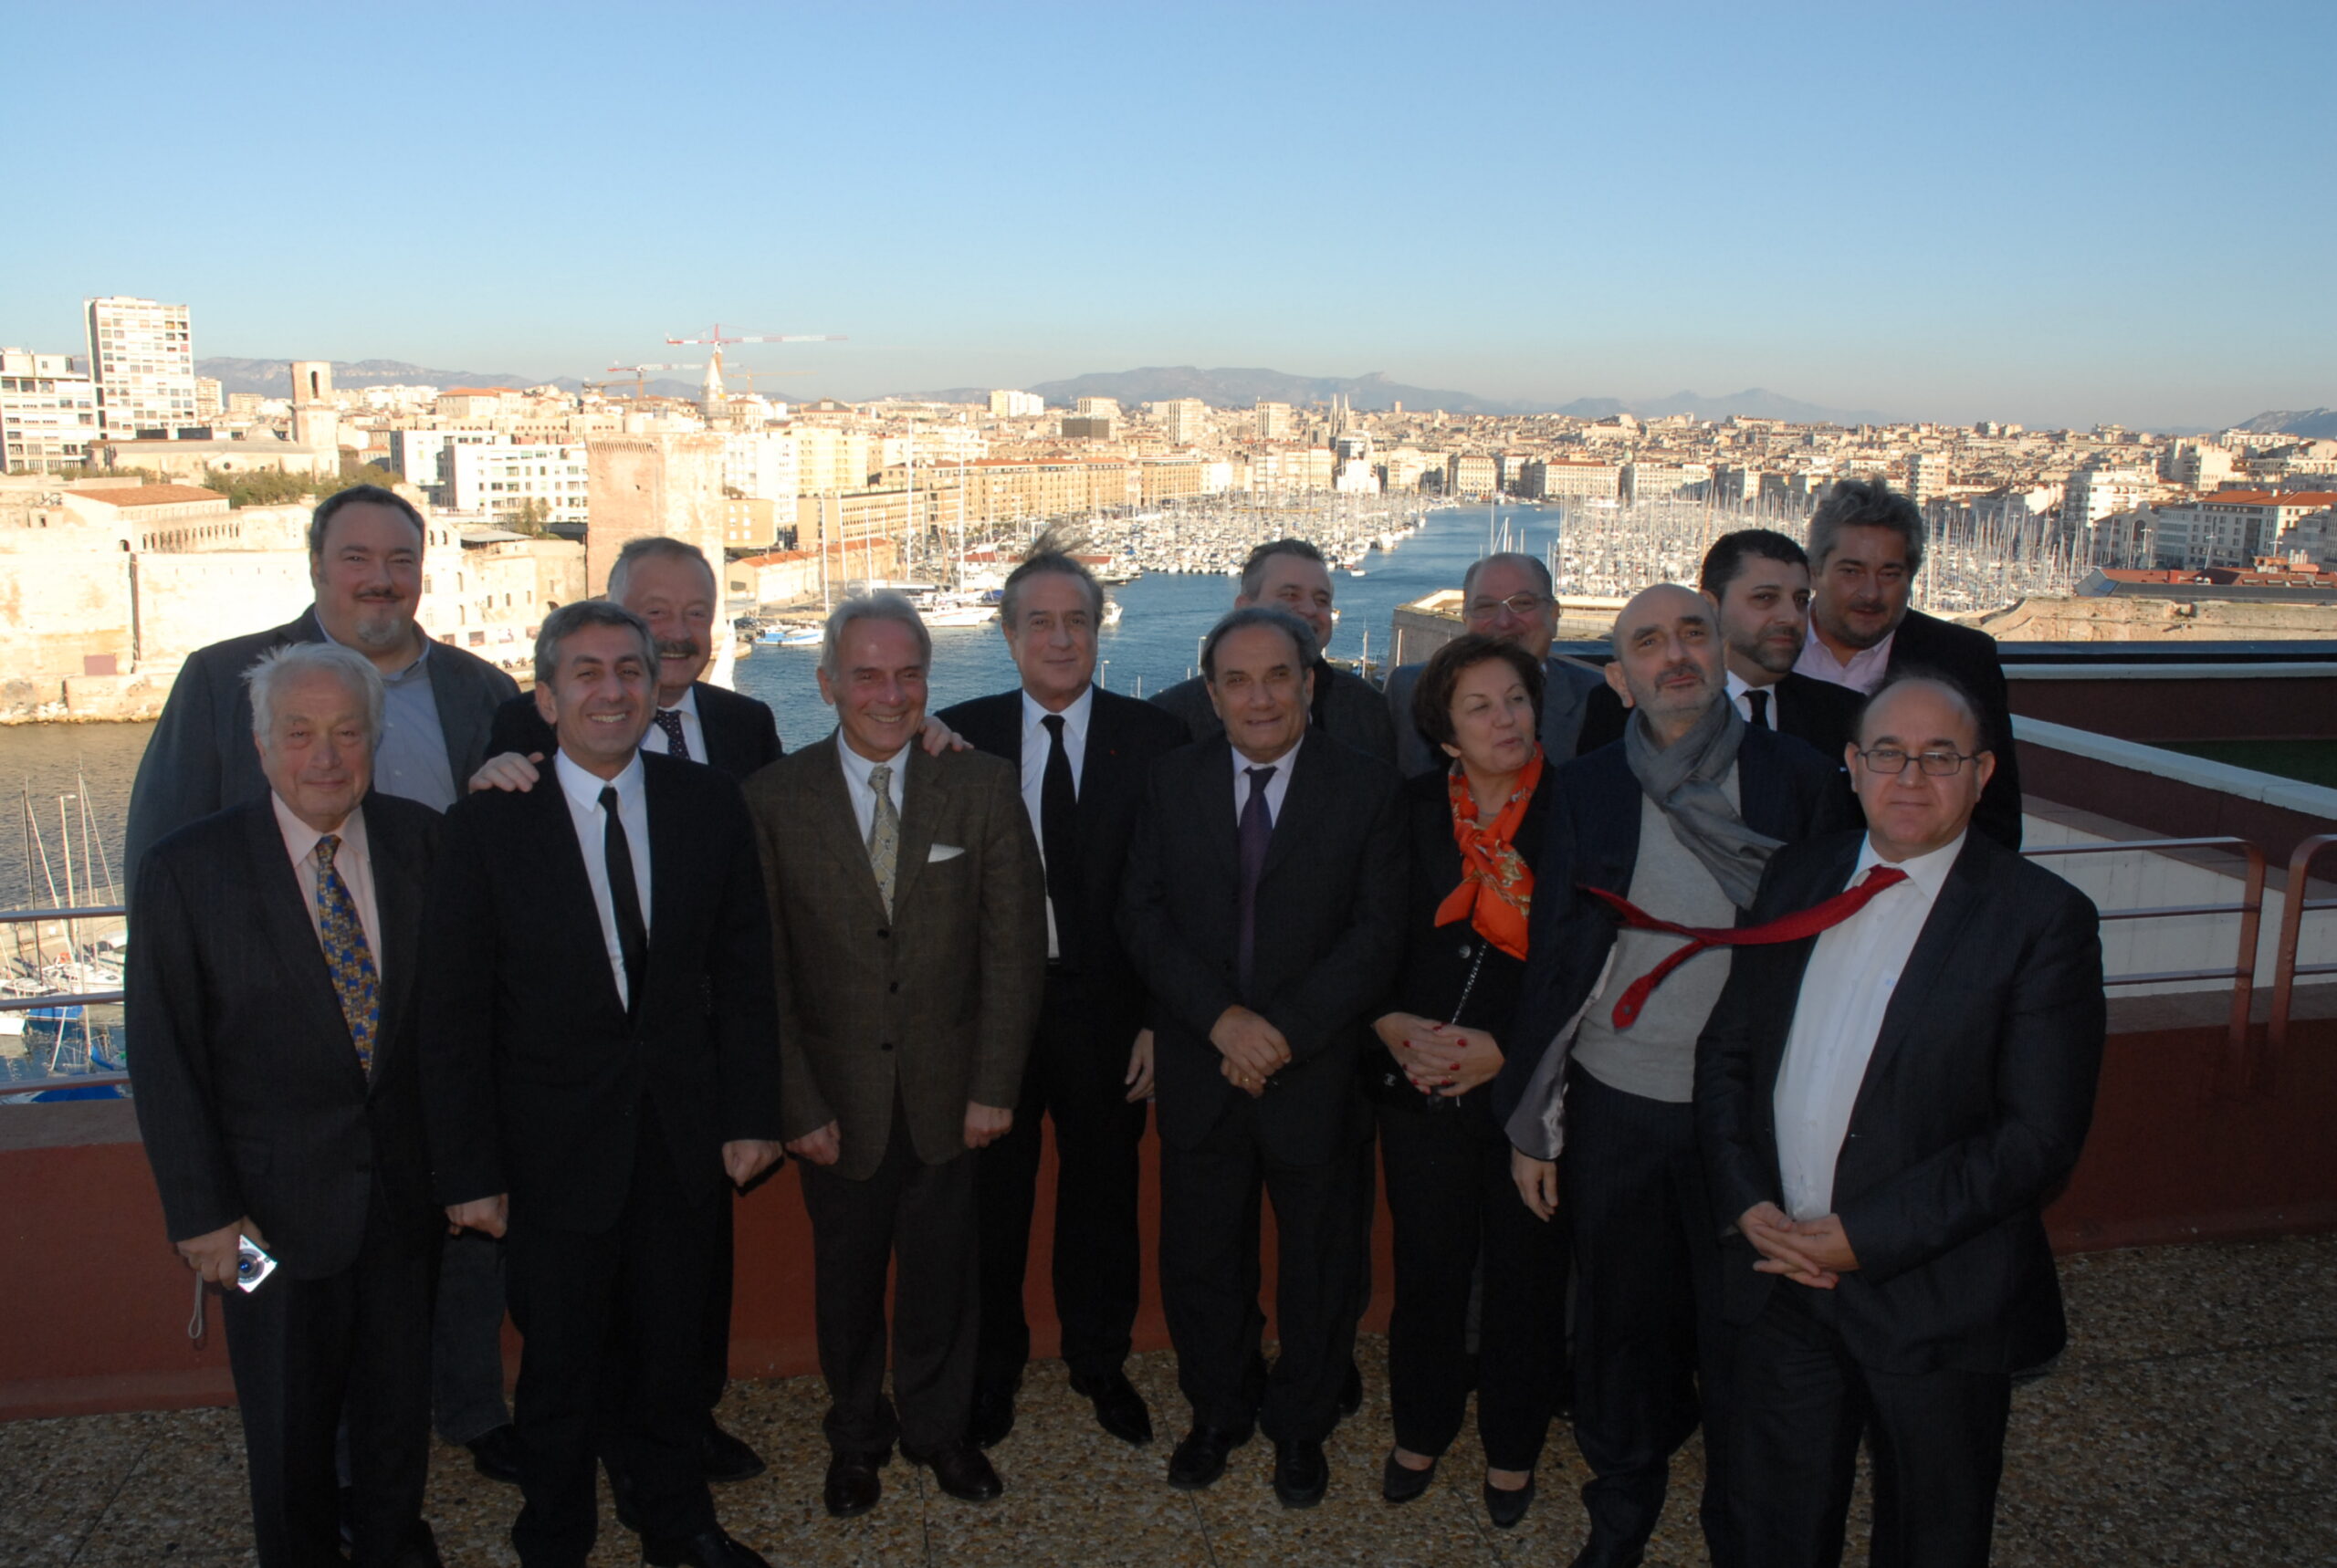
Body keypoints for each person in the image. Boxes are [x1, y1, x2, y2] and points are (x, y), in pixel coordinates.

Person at [124, 483, 524, 1484]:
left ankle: (463, 1418)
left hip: (418, 1077)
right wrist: (202, 1190)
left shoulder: (477, 690)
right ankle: (326, 1490)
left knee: (435, 1283)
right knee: (298, 1348)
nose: (380, 578)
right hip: (278, 1103)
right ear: (316, 566)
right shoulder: (225, 679)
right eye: (357, 557)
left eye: (400, 558)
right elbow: (158, 868)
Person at [1696, 673, 2104, 1567]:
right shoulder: (1797, 874)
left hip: (1938, 1302)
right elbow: (1727, 1055)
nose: (1910, 776)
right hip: (1780, 1280)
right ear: (1851, 765)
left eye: (1940, 756)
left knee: (1931, 1535)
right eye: (1887, 752)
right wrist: (1746, 1199)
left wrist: (1859, 1237)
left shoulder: (2041, 921)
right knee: (1772, 1526)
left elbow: (2034, 1138)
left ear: (1982, 771)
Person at [421, 601, 784, 1568]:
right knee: (559, 1369)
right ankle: (555, 1534)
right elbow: (451, 1014)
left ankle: (676, 1522)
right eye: (585, 672)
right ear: (545, 697)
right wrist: (467, 1168)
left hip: (679, 1137)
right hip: (548, 1153)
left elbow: (748, 971)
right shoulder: (486, 825)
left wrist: (754, 1113)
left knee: (671, 1356)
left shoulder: (708, 802)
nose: (613, 689)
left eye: (630, 668)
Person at [1493, 584, 1847, 1568]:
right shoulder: (1590, 784)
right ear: (1619, 674)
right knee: (1615, 1332)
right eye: (1647, 641)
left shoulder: (1803, 780)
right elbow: (1558, 954)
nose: (1674, 653)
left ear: (1721, 647)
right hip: (1616, 1102)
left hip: (1754, 1117)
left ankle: (1740, 1530)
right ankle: (1621, 1516)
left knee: (1746, 1339)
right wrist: (1534, 1116)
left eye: (1691, 631)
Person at [127, 643, 445, 1568]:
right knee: (286, 1426)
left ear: (374, 740)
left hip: (400, 1209)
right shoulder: (189, 870)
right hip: (260, 1224)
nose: (325, 755)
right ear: (262, 743)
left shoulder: (425, 844)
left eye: (348, 731)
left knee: (395, 1418)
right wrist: (204, 1214)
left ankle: (388, 1545)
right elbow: (163, 1054)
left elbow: (456, 1031)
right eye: (299, 731)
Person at [742, 593, 1046, 1520]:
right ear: (827, 681)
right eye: (866, 674)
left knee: (943, 1282)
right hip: (836, 1103)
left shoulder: (981, 785)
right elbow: (767, 971)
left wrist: (995, 1086)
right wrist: (796, 1104)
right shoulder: (771, 798)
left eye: (906, 673)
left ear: (928, 679)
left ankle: (939, 1431)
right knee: (845, 1287)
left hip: (953, 1097)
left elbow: (1014, 947)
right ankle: (855, 1438)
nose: (887, 693)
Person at [1119, 606, 1406, 1509]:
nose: (1259, 696)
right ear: (1210, 694)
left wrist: (1277, 1031)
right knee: (1203, 1258)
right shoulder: (1171, 780)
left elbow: (1376, 933)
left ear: (1310, 684)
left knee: (1321, 1265)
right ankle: (1219, 1410)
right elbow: (1142, 914)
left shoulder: (1366, 787)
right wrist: (1221, 1024)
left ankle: (1300, 1426)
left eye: (1277, 675)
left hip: (1314, 1071)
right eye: (1236, 680)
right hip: (1205, 1066)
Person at [934, 542, 1189, 1453]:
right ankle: (992, 1372)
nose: (1058, 636)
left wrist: (1163, 1017)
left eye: (1075, 619)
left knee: (1103, 1199)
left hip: (1113, 1016)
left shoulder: (1156, 739)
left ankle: (1098, 1360)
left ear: (1097, 630)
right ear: (1006, 635)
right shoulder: (954, 737)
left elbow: (1180, 893)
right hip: (992, 1020)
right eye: (1038, 620)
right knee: (991, 1206)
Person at [1368, 634, 1567, 1529]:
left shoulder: (1576, 811)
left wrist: (1510, 1052)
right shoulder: (1405, 810)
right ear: (1445, 733)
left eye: (1515, 699)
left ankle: (1514, 1442)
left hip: (1532, 1091)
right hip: (1421, 1085)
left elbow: (1584, 966)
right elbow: (1364, 931)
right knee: (1430, 1266)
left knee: (1527, 1273)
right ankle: (1420, 1425)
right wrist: (1384, 1019)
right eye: (1479, 706)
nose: (1504, 719)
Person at [1794, 478, 2023, 849]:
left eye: (1890, 574)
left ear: (1911, 576)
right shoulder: (1770, 647)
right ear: (1814, 571)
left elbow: (1995, 813)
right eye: (1851, 571)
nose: (1870, 593)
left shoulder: (1961, 659)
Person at [1579, 530, 1864, 763]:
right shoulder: (1624, 707)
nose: (1791, 616)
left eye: (1801, 600)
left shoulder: (1846, 716)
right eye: (1765, 598)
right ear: (1710, 607)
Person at [1151, 538, 1397, 762]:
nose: (1310, 609)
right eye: (1290, 595)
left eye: (1321, 600)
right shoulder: (1171, 716)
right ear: (1243, 608)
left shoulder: (1367, 708)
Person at [1384, 551, 1608, 775]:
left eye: (1522, 603)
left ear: (1554, 614)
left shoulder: (1599, 700)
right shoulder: (1409, 689)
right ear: (1465, 618)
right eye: (1485, 607)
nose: (1504, 622)